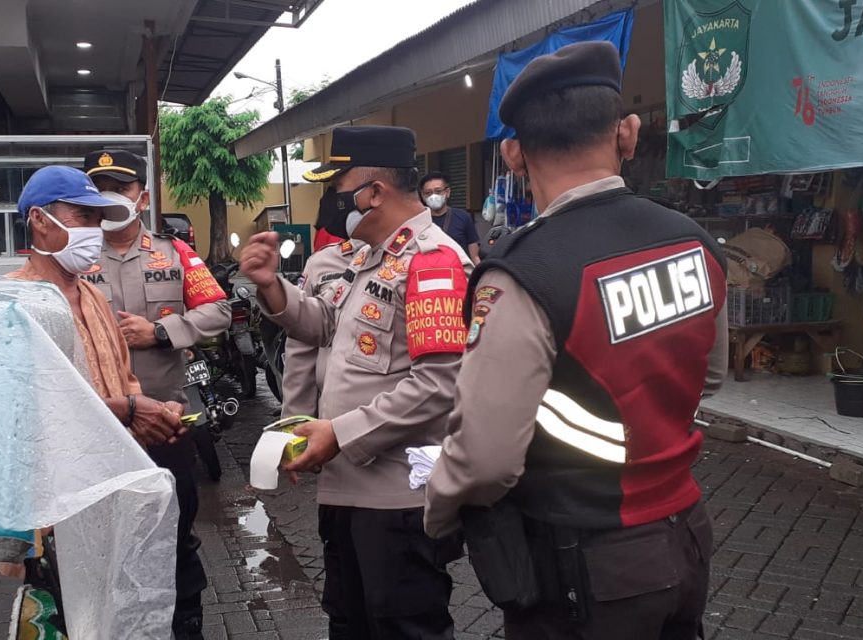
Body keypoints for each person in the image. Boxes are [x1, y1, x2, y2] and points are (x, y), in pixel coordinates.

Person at [423, 42, 729, 639]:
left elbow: (485, 457)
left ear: (512, 153)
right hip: (687, 538)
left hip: (588, 572)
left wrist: (436, 511)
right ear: (629, 133)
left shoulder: (525, 273)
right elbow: (708, 377)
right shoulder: (693, 241)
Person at [240, 125, 472, 639]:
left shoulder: (432, 260)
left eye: (337, 188)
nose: (332, 201)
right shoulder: (370, 256)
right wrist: (271, 287)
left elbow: (440, 383)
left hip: (397, 499)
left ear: (373, 192)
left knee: (403, 626)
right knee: (349, 621)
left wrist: (339, 433)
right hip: (347, 490)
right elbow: (325, 325)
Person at [83, 149, 227, 640]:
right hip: (100, 425)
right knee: (107, 541)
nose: (109, 197)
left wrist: (162, 333)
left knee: (175, 534)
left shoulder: (175, 253)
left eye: (119, 187)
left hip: (167, 420)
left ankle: (185, 626)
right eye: (98, 186)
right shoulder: (75, 256)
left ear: (141, 195)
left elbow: (218, 312)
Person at [7, 165, 186, 447]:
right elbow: (22, 408)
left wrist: (155, 412)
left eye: (98, 221)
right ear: (39, 219)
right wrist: (127, 411)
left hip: (117, 461)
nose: (95, 232)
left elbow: (125, 381)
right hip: (60, 474)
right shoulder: (15, 304)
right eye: (84, 217)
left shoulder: (93, 297)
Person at [279, 189, 361, 417]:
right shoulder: (325, 260)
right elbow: (301, 349)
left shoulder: (427, 258)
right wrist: (295, 422)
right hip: (333, 416)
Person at [419, 172, 480, 263]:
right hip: (430, 273)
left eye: (438, 191)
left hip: (458, 273)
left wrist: (478, 275)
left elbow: (474, 256)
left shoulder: (463, 217)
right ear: (423, 196)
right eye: (428, 193)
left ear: (447, 192)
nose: (433, 196)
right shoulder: (419, 221)